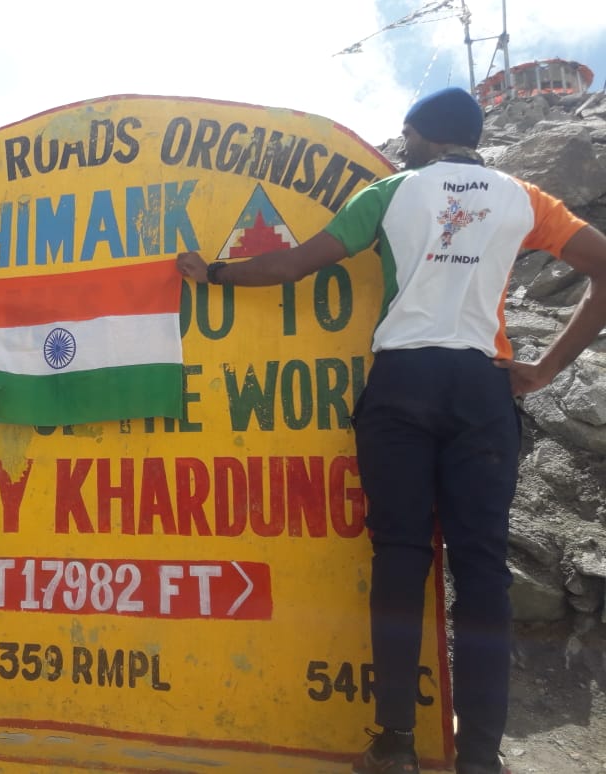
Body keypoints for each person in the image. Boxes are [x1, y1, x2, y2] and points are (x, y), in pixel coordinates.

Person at [176, 87, 606, 774]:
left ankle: (396, 746)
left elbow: (293, 263)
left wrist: (214, 272)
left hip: (403, 384)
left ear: (423, 136)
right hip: (482, 388)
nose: (405, 148)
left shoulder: (392, 192)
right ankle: (479, 759)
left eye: (408, 137)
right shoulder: (524, 198)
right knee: (483, 573)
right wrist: (546, 368)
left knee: (400, 558)